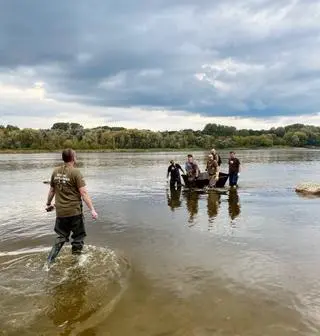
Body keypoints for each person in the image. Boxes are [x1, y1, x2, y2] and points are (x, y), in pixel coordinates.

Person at [45, 148, 98, 263]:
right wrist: (92, 210)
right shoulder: (76, 172)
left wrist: (48, 204)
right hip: (74, 212)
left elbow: (52, 191)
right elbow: (83, 193)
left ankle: (49, 261)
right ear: (73, 158)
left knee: (61, 237)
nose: (76, 157)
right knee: (78, 237)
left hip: (61, 213)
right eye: (76, 155)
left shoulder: (55, 171)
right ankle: (76, 262)